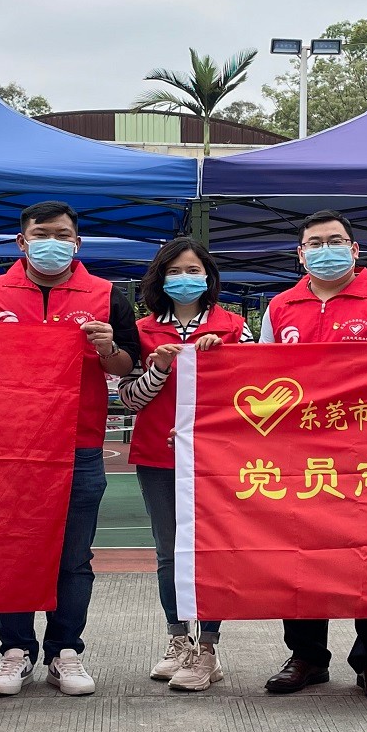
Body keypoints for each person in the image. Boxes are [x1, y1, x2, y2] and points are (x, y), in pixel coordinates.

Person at [260, 210, 367, 703]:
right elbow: (261, 376)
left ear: (354, 249)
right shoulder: (280, 307)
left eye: (335, 241)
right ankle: (306, 655)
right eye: (315, 243)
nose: (324, 250)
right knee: (301, 554)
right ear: (300, 254)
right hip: (304, 456)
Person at [0, 201, 139, 698]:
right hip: (8, 448)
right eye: (42, 234)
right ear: (22, 241)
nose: (53, 242)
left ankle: (65, 651)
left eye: (63, 235)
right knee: (12, 550)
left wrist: (107, 347)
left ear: (77, 242)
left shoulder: (107, 295)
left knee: (74, 557)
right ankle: (15, 650)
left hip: (80, 444)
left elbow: (126, 365)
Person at [118, 238, 252, 692]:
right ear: (160, 279)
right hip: (158, 455)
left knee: (212, 549)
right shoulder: (141, 331)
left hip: (217, 459)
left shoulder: (234, 327)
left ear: (209, 277)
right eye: (173, 271)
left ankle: (208, 647)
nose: (184, 278)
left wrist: (223, 361)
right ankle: (178, 639)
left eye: (193, 270)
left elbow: (254, 394)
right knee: (168, 553)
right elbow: (130, 399)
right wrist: (157, 368)